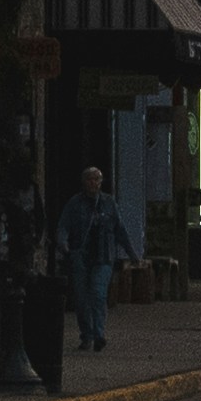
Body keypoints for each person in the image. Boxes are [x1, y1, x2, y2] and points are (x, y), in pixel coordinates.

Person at [55, 151, 128, 364]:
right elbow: (63, 226)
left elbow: (120, 229)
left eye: (97, 179)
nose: (93, 183)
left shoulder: (108, 204)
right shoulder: (74, 204)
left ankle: (98, 334)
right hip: (80, 255)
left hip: (103, 256)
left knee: (97, 293)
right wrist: (64, 244)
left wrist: (132, 254)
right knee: (81, 298)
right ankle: (86, 334)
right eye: (90, 179)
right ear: (83, 182)